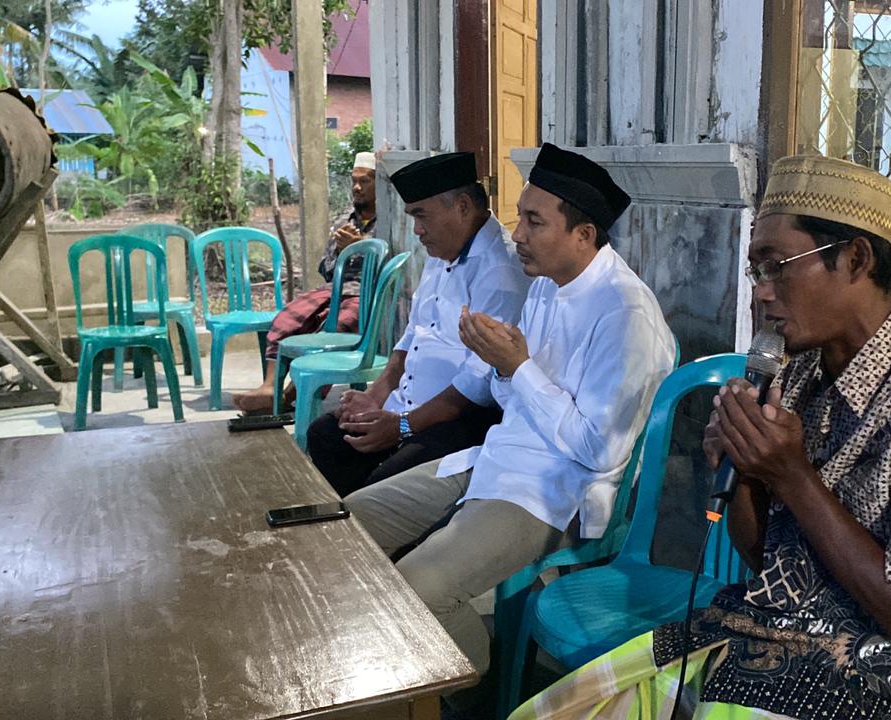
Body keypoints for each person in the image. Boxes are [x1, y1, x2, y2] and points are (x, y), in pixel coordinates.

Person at [512, 155, 891, 719]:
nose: (761, 293)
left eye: (778, 266)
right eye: (756, 272)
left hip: (885, 680)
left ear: (854, 259)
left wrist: (792, 475)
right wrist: (742, 476)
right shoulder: (797, 376)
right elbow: (770, 566)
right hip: (781, 632)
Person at [345, 143, 677, 686]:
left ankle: (481, 693)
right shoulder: (547, 284)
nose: (515, 233)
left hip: (557, 491)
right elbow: (510, 400)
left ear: (584, 235)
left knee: (419, 589)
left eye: (533, 221)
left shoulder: (626, 314)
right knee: (348, 528)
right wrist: (503, 369)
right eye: (520, 216)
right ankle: (416, 672)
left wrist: (517, 366)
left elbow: (599, 450)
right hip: (498, 459)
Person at [305, 151, 530, 497]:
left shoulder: (500, 271)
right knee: (326, 434)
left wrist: (403, 427)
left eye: (422, 216)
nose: (417, 230)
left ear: (463, 207)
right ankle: (352, 538)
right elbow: (413, 333)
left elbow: (479, 382)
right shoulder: (442, 251)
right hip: (406, 409)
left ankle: (380, 543)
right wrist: (376, 396)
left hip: (461, 420)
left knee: (382, 486)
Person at [232, 152, 380, 413]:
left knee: (335, 326)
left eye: (365, 182)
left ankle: (292, 394)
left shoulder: (390, 223)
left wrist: (360, 248)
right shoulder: (344, 221)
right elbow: (326, 268)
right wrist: (340, 252)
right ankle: (270, 386)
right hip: (335, 288)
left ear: (379, 184)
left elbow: (390, 267)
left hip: (366, 294)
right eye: (354, 181)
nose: (357, 188)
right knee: (290, 316)